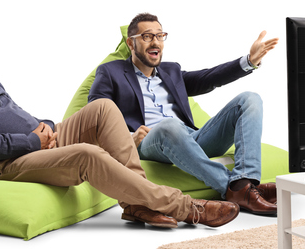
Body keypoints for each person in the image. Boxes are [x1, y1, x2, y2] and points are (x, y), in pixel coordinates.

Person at [0, 22, 239, 229]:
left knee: (102, 108)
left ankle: (137, 204)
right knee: (87, 154)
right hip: (6, 163)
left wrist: (43, 127)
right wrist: (32, 141)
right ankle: (186, 208)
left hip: (41, 139)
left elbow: (15, 112)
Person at [88, 13, 279, 216]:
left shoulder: (171, 70)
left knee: (249, 99)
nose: (156, 42)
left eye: (160, 36)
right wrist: (128, 139)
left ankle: (245, 180)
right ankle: (237, 190)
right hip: (148, 140)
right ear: (131, 43)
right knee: (170, 126)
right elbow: (97, 115)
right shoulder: (111, 72)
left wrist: (249, 61)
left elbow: (208, 78)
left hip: (189, 138)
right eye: (147, 36)